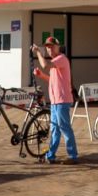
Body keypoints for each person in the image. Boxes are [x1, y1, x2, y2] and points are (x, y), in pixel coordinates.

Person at [31, 36, 78, 165]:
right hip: (56, 101)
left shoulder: (61, 59)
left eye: (51, 46)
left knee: (64, 128)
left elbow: (44, 65)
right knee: (55, 129)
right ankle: (50, 156)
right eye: (47, 47)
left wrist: (38, 52)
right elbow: (53, 79)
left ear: (58, 47)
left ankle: (73, 156)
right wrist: (41, 75)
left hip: (62, 100)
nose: (49, 49)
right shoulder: (56, 62)